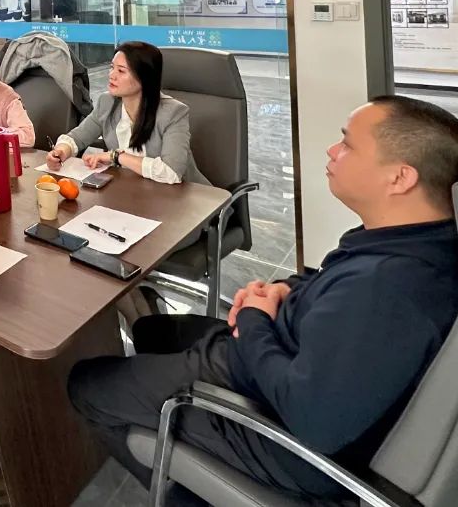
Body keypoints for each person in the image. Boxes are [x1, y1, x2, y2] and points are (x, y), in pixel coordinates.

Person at [67, 96, 458, 505]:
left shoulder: (388, 291)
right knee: (152, 331)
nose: (332, 150)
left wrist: (255, 320)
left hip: (278, 426)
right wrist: (286, 289)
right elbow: (332, 279)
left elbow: (314, 421)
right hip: (276, 354)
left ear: (400, 178)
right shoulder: (410, 240)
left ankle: (187, 491)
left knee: (86, 384)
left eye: (348, 144)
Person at [46, 41, 208, 185]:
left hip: (186, 197)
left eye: (121, 71)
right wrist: (61, 151)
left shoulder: (174, 113)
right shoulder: (107, 102)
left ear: (144, 78)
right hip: (133, 191)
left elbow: (171, 172)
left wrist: (116, 157)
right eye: (112, 67)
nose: (111, 75)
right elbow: (77, 138)